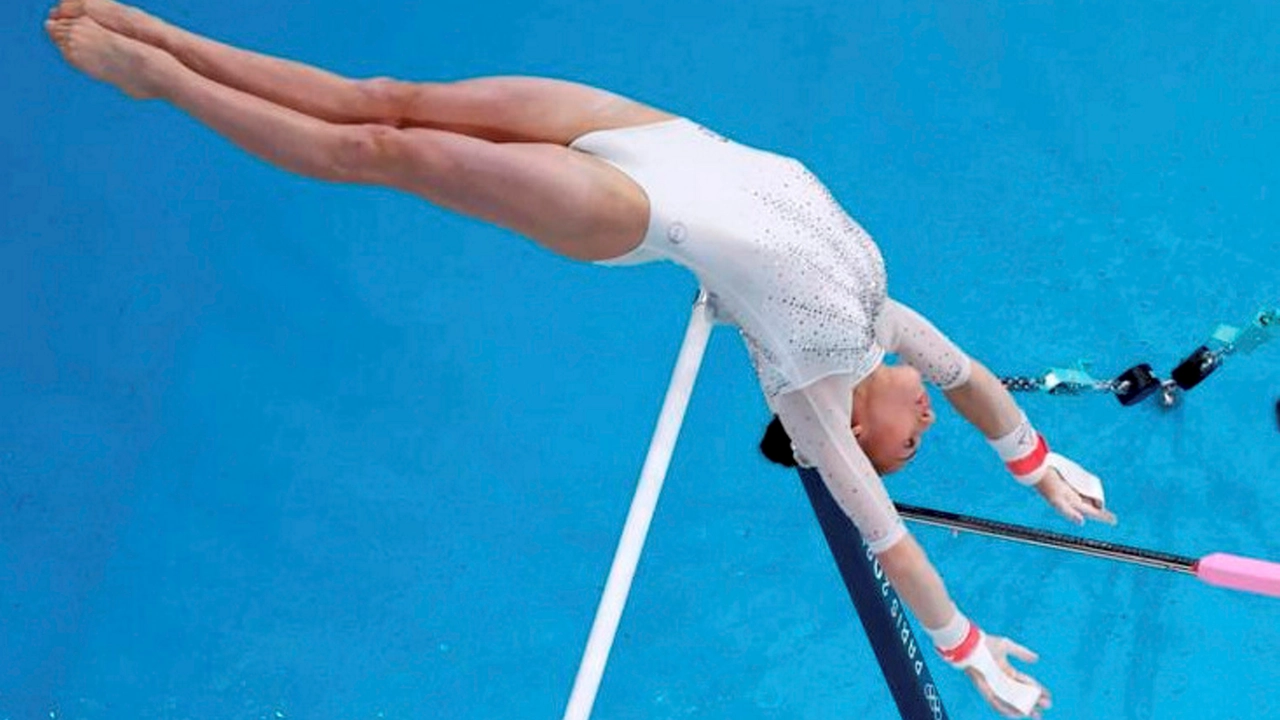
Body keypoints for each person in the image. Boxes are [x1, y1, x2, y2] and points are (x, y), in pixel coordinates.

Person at [45, 2, 1118, 716]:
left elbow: (892, 552)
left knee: (381, 151)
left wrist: (965, 645)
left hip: (632, 207)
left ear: (843, 440)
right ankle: (169, 33)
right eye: (916, 439)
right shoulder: (893, 326)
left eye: (899, 452)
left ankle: (162, 81)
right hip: (654, 132)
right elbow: (975, 385)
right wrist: (1035, 461)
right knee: (383, 91)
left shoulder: (811, 393)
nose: (917, 433)